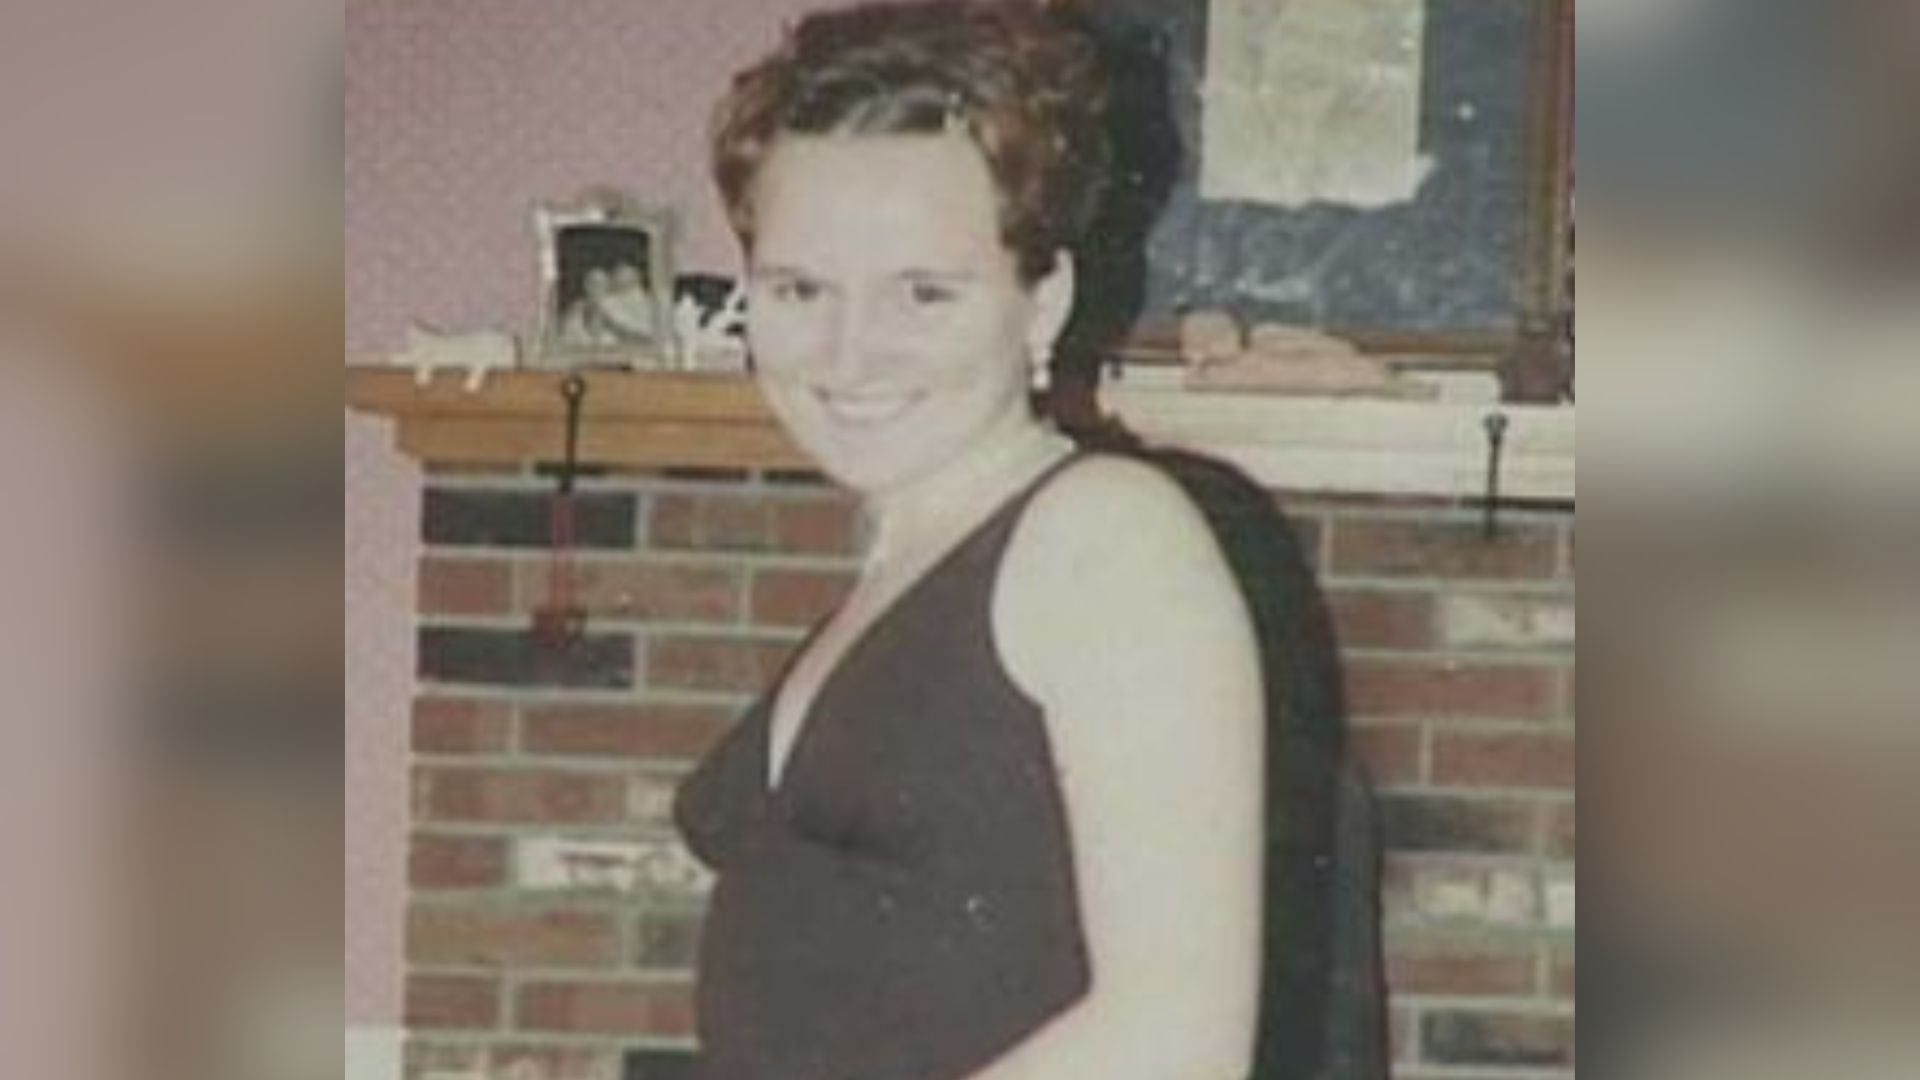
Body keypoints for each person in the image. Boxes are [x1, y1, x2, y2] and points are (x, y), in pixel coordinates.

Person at [673, 3, 1265, 1078]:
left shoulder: (1107, 540)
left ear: (1043, 304)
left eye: (923, 293)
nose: (849, 353)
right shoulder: (904, 558)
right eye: (801, 289)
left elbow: (1176, 1044)